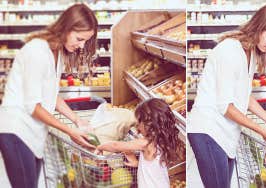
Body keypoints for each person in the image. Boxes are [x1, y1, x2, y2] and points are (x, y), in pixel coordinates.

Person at [187, 3, 266, 187]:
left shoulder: (250, 52)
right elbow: (225, 106)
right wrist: (263, 132)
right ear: (260, 27)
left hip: (225, 132)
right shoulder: (230, 51)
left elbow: (243, 95)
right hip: (209, 130)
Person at [0, 4, 98, 188]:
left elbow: (51, 95)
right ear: (67, 28)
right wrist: (70, 131)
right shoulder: (37, 51)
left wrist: (77, 120)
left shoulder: (59, 53)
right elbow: (33, 106)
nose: (82, 45)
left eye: (86, 40)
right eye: (79, 38)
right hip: (16, 129)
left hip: (33, 132)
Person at [97, 98, 184, 188]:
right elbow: (154, 168)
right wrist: (137, 163)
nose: (137, 127)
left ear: (149, 124)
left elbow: (115, 145)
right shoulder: (162, 141)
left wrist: (100, 147)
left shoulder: (146, 143)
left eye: (139, 123)